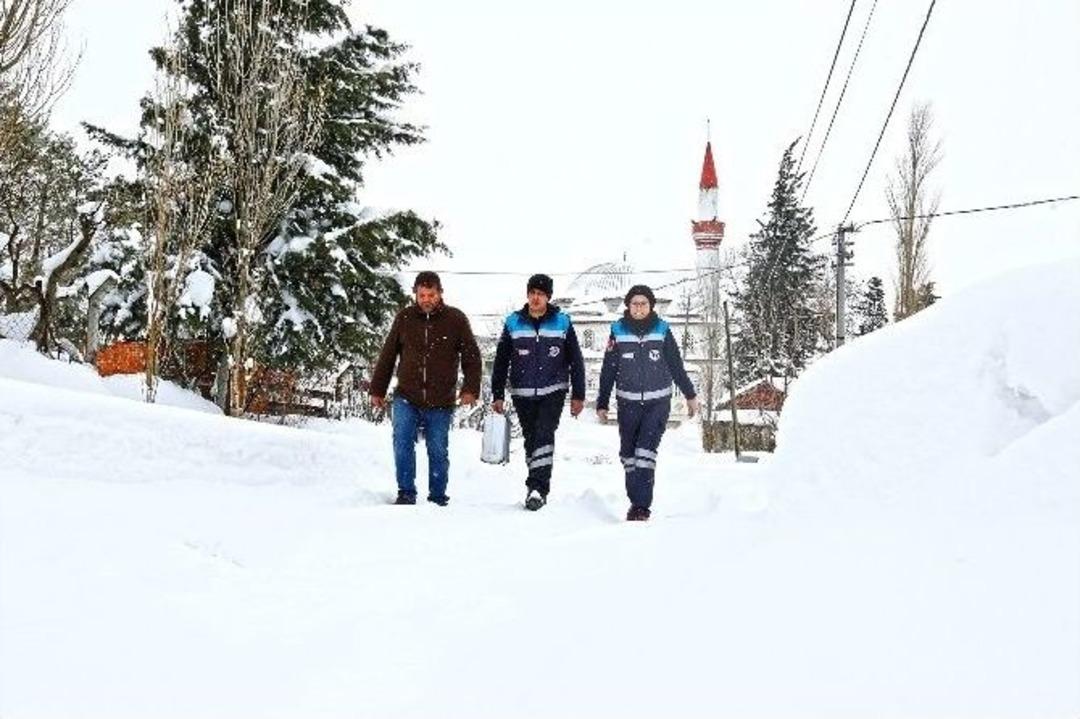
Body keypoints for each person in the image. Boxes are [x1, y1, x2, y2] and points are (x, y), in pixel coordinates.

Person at [369, 271, 482, 506]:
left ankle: (437, 497)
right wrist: (377, 389)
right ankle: (406, 492)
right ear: (416, 294)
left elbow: (472, 357)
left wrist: (470, 388)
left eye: (431, 294)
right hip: (406, 396)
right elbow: (388, 355)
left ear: (440, 293)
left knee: (438, 449)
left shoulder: (456, 320)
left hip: (441, 400)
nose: (427, 299)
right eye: (422, 295)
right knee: (401, 442)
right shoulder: (405, 318)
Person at [596, 284, 698, 521]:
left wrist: (690, 395)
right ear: (628, 306)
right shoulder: (618, 331)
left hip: (657, 404)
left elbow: (676, 365)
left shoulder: (662, 330)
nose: (639, 308)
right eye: (635, 304)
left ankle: (642, 506)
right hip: (627, 404)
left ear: (651, 306)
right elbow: (608, 369)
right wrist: (602, 402)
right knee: (628, 456)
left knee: (645, 452)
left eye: (644, 304)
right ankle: (636, 501)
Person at [491, 273, 586, 511]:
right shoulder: (513, 322)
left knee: (544, 433)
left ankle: (538, 488)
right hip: (522, 392)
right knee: (531, 438)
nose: (535, 298)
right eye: (532, 293)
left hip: (553, 389)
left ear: (548, 297)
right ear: (527, 295)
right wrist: (498, 394)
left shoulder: (562, 322)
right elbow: (501, 360)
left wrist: (578, 395)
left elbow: (576, 360)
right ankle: (535, 483)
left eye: (540, 294)